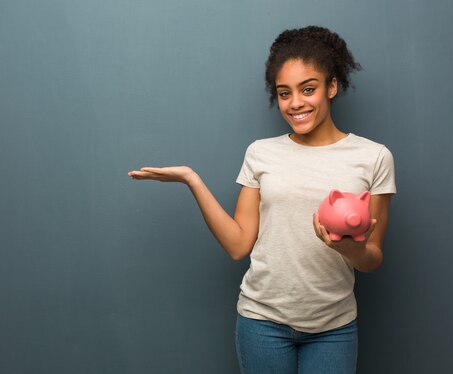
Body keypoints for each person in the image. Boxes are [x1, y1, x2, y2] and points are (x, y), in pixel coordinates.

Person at [128, 25, 396, 374]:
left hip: (334, 327)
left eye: (308, 89)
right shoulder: (261, 153)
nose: (295, 103)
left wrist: (348, 249)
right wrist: (191, 180)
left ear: (332, 86)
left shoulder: (373, 157)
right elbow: (239, 245)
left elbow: (372, 258)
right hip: (262, 322)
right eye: (284, 93)